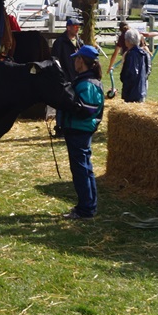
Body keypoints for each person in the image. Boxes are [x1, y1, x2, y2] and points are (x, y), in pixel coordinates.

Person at [56, 44, 104, 220]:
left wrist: (67, 103)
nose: (74, 62)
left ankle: (86, 209)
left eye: (76, 58)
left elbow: (88, 109)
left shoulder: (87, 84)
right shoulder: (85, 81)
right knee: (85, 168)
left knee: (81, 170)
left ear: (81, 61)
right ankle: (87, 205)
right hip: (78, 130)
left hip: (79, 131)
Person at [120, 28, 152, 103]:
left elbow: (131, 73)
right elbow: (148, 70)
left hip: (132, 92)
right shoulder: (145, 53)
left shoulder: (131, 54)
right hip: (142, 89)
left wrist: (123, 78)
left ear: (128, 41)